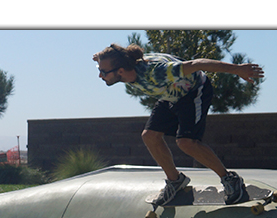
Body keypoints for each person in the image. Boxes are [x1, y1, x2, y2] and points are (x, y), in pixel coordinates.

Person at [92, 43, 264, 205]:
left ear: (120, 71)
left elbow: (197, 64)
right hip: (169, 95)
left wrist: (238, 69)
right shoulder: (125, 63)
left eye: (103, 72)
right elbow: (108, 57)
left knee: (186, 143)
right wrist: (99, 58)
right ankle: (176, 182)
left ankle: (230, 179)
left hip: (194, 91)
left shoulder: (157, 72)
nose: (100, 75)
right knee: (150, 136)